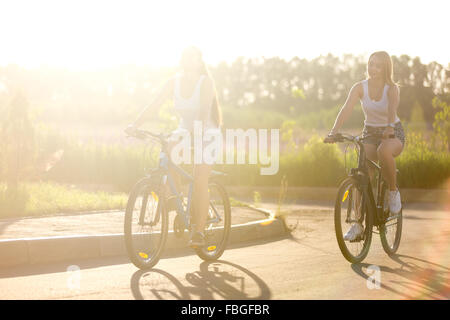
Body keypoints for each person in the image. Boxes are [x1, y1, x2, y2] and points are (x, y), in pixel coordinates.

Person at [125, 46, 223, 248]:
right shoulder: (174, 82)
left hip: (207, 132)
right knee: (168, 152)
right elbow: (155, 104)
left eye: (192, 57)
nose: (188, 60)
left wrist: (195, 132)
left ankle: (198, 232)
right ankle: (179, 204)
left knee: (200, 179)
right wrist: (136, 124)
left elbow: (204, 111)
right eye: (185, 57)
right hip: (185, 130)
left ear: (199, 61)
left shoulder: (206, 83)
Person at [324, 51, 405, 241]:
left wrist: (389, 128)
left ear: (385, 68)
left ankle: (393, 192)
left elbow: (392, 112)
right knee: (362, 175)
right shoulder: (360, 87)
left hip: (393, 132)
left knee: (383, 151)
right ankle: (358, 224)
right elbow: (346, 108)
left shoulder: (391, 88)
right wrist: (333, 131)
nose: (373, 68)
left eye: (378, 65)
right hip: (370, 133)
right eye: (371, 64)